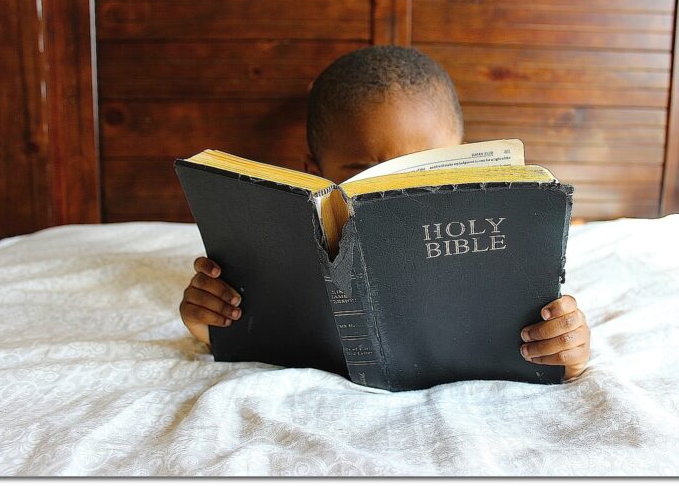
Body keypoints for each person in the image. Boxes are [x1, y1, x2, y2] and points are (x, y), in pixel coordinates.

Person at [179, 46, 591, 380]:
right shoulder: (281, 249)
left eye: (426, 167)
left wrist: (565, 350)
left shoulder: (499, 244)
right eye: (365, 174)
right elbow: (250, 331)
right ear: (313, 172)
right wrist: (210, 322)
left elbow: (550, 343)